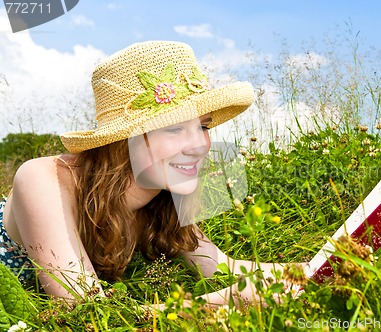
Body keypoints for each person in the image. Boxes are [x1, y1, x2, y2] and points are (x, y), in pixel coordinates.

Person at [0, 41, 289, 305]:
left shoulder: (161, 197)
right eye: (174, 128)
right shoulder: (43, 178)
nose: (200, 146)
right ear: (123, 141)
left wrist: (310, 272)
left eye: (203, 126)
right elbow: (85, 311)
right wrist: (224, 303)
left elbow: (222, 268)